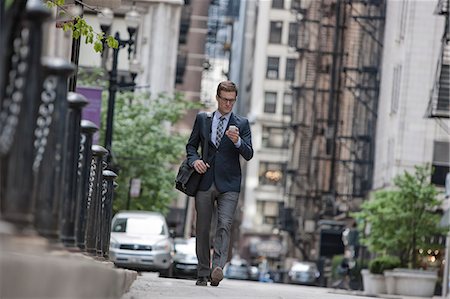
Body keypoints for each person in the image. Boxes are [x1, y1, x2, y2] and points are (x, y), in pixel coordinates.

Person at [185, 81, 253, 287]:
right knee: (203, 228)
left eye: (232, 101)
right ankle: (202, 272)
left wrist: (238, 141)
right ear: (217, 98)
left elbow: (249, 153)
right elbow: (191, 147)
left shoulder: (242, 124)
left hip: (230, 183)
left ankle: (217, 269)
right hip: (204, 181)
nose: (228, 104)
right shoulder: (203, 119)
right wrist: (194, 160)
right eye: (225, 100)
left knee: (224, 225)